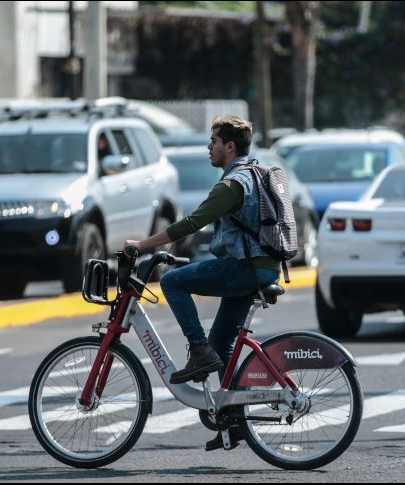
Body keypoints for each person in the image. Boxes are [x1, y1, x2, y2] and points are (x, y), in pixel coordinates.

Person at [124, 115, 281, 451]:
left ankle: (197, 351)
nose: (208, 148)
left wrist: (142, 245)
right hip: (259, 268)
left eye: (213, 142)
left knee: (174, 282)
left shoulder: (232, 184)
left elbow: (192, 223)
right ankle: (235, 419)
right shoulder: (254, 172)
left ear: (230, 146)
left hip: (245, 268)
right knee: (222, 344)